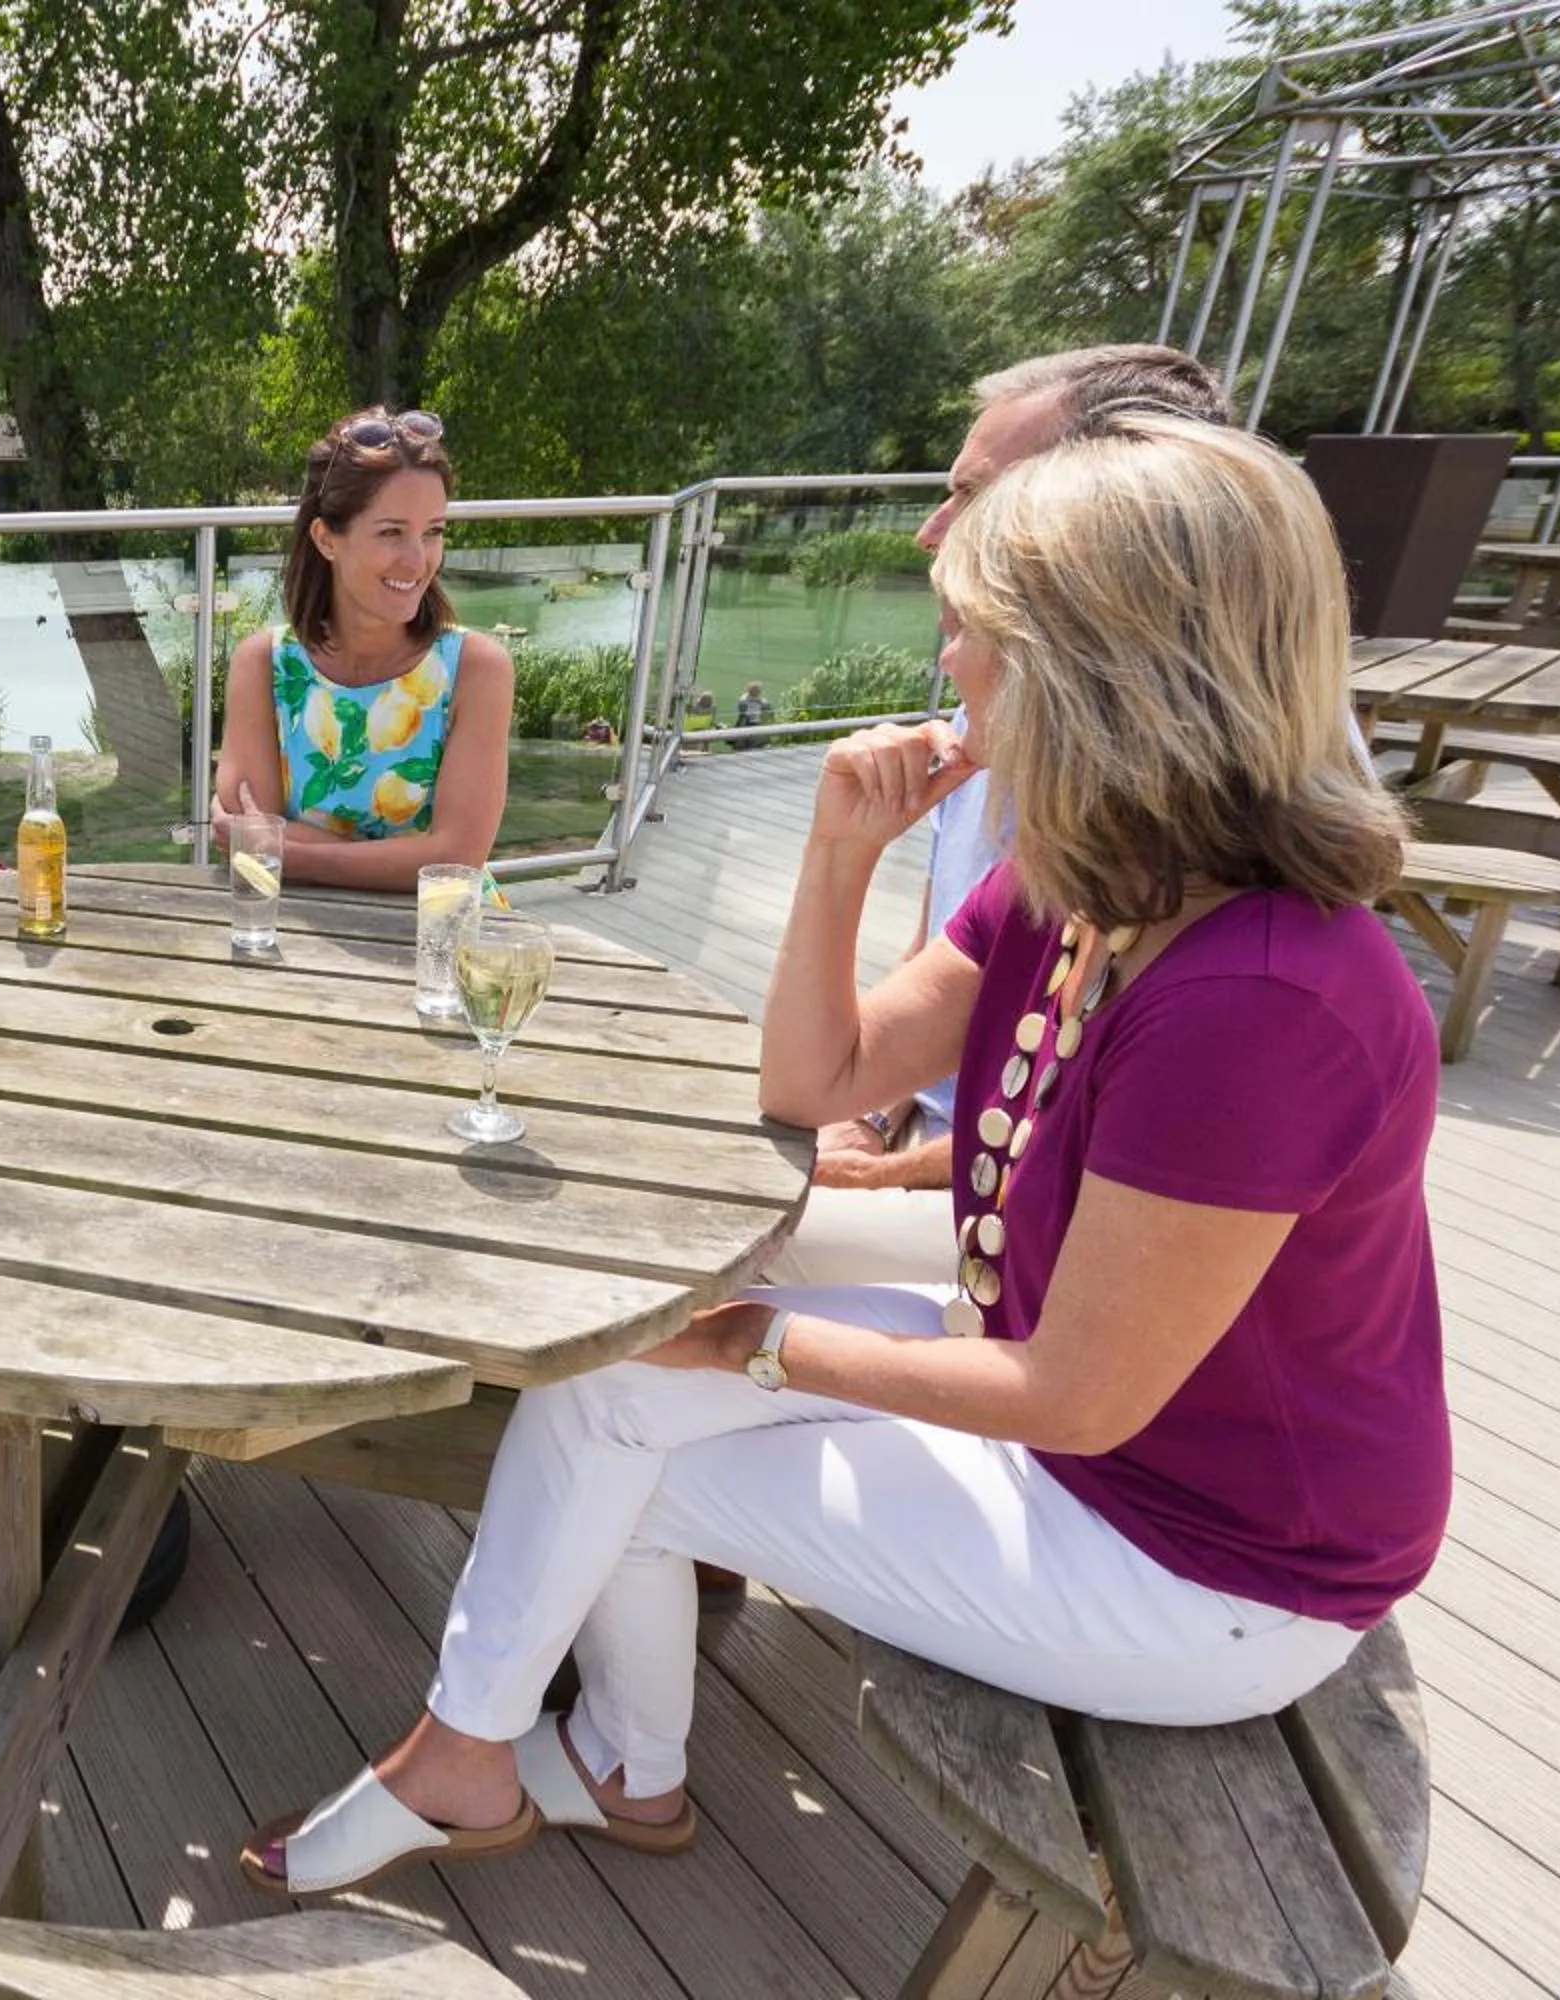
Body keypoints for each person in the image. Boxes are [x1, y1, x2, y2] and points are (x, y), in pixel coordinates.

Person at [240, 416, 1446, 1900]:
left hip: (1203, 1565)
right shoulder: (1086, 887)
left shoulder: (1262, 997)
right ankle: (589, 1763)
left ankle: (508, 1757)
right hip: (1094, 1444)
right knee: (607, 1376)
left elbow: (1075, 1397)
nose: (950, 665)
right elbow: (815, 1082)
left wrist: (757, 1343)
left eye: (983, 632)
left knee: (615, 1439)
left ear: (1108, 670)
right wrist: (838, 854)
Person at [784, 344, 1235, 1285]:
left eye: (974, 496)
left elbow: (1074, 1143)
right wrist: (860, 1115)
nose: (930, 530)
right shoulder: (1006, 755)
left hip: (1035, 1220)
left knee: (692, 1296)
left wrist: (877, 1176)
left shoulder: (1233, 907)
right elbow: (908, 993)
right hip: (952, 1145)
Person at [212, 409, 514, 888]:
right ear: (326, 538)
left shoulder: (476, 670)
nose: (418, 561)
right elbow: (246, 844)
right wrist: (410, 857)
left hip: (438, 942)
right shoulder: (264, 665)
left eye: (433, 531)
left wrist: (287, 851)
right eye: (391, 532)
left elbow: (457, 862)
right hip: (299, 936)